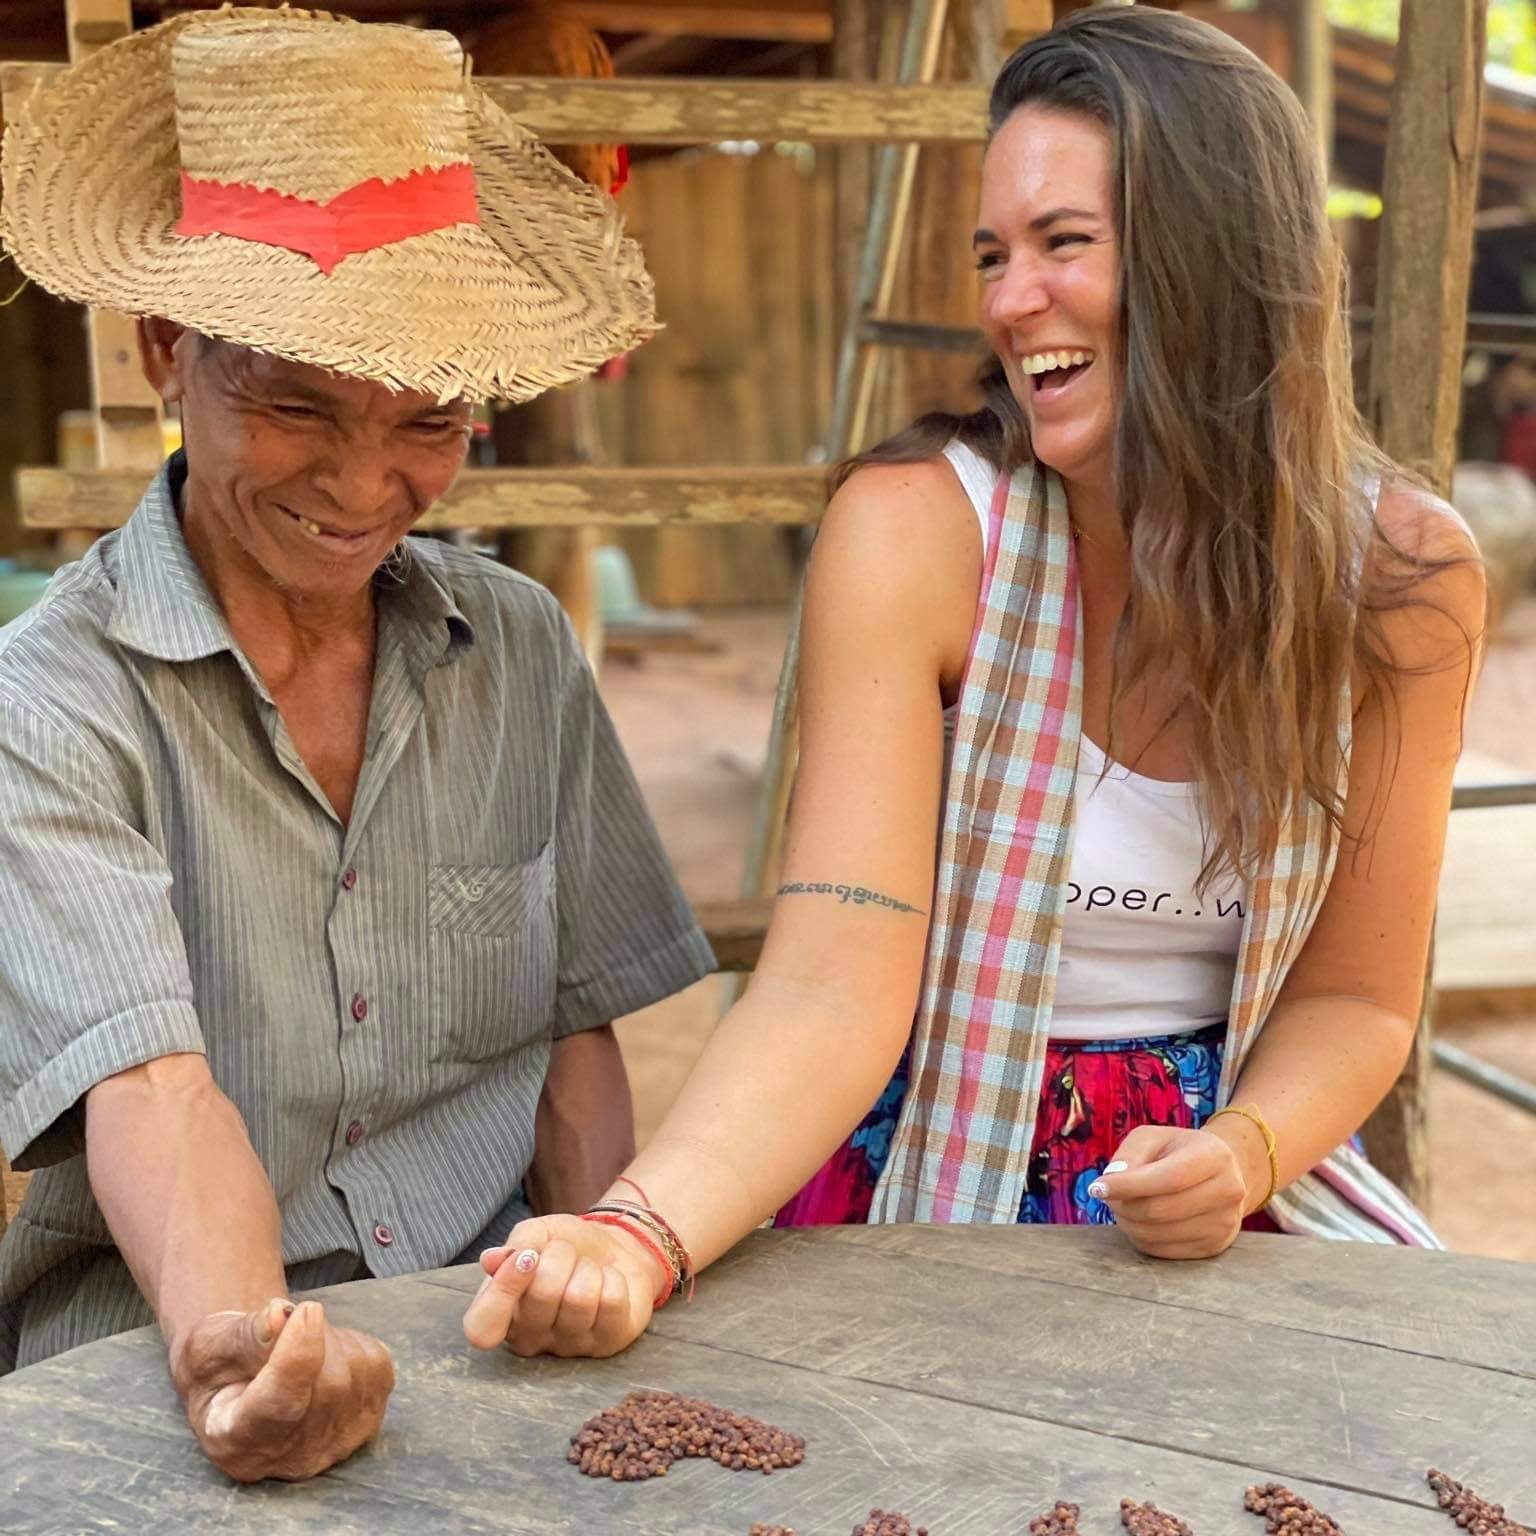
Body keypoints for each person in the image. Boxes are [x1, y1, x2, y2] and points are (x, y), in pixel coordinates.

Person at [461, 8, 1485, 1362]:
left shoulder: (1401, 577)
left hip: (1220, 1175)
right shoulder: (923, 533)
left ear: (1221, 260)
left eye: (1065, 245)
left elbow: (1356, 1003)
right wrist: (638, 1230)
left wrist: (1244, 1151)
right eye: (994, 256)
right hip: (933, 1141)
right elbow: (833, 988)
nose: (1008, 304)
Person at [0, 7, 714, 1481]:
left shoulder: (512, 646)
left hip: (477, 1315)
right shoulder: (49, 698)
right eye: (296, 404)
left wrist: (598, 1306)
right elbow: (154, 1094)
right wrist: (253, 1361)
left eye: (427, 422)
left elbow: (572, 1043)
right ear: (164, 355)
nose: (364, 479)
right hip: (152, 1338)